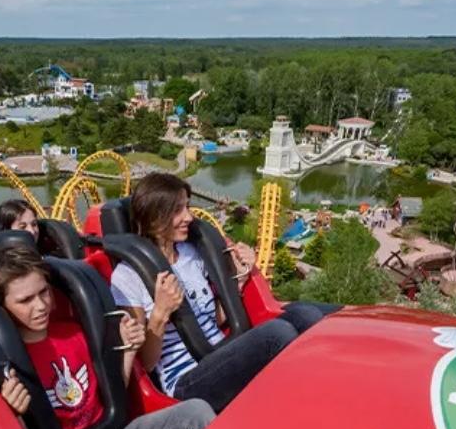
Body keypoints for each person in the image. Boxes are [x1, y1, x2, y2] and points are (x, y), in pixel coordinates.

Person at [0, 243, 214, 429]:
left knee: (197, 410)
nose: (40, 306)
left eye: (44, 292)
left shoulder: (75, 333)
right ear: (2, 307)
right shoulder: (10, 364)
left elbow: (112, 392)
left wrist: (129, 350)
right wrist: (12, 413)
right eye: (25, 300)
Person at [110, 173, 334, 413]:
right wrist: (161, 312)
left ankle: (318, 391)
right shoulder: (128, 276)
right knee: (277, 334)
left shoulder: (190, 253)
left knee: (305, 315)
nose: (189, 217)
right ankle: (297, 404)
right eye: (177, 210)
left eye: (187, 207)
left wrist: (239, 278)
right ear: (155, 218)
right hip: (185, 380)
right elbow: (145, 362)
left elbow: (213, 319)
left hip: (219, 352)